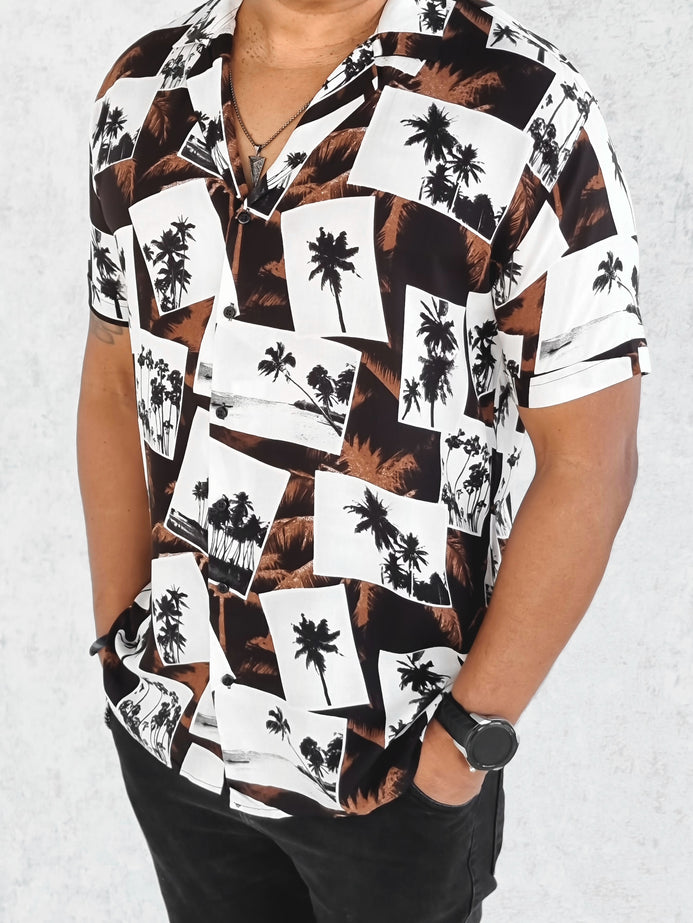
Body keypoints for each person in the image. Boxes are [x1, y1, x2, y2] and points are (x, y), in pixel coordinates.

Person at [77, 0, 649, 919]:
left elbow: (593, 458)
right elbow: (115, 366)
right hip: (178, 731)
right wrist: (120, 639)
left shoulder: (525, 106)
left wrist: (466, 740)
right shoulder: (143, 90)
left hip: (394, 765)